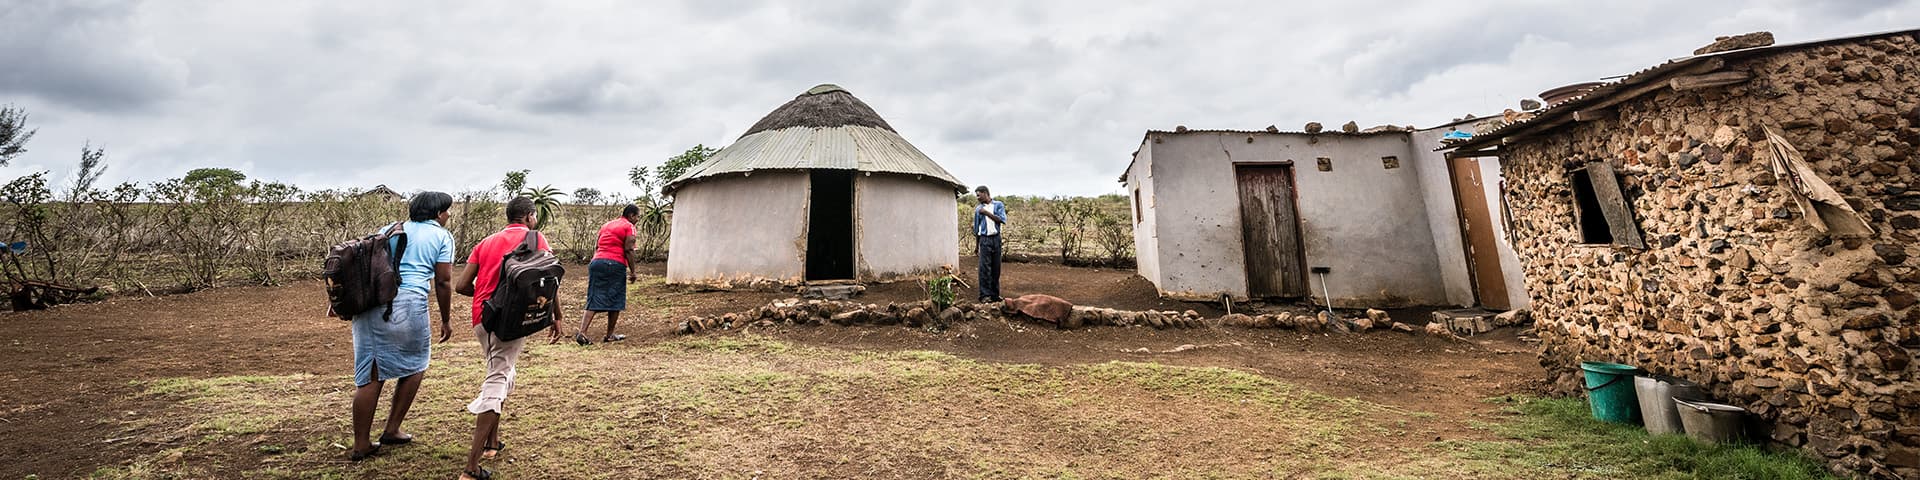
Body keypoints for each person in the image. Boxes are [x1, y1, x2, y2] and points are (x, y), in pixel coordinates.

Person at [451, 197, 562, 480]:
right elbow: (549, 279)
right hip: (510, 321)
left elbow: (462, 285)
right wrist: (555, 316)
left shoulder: (486, 242)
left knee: (501, 370)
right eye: (534, 216)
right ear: (529, 216)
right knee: (498, 378)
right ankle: (471, 468)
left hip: (483, 319)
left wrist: (486, 299)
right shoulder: (535, 239)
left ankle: (491, 443)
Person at [347, 191, 456, 461]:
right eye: (448, 210)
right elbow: (443, 281)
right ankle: (392, 428)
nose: (449, 215)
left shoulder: (390, 228)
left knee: (371, 373)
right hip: (408, 303)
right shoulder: (442, 236)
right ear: (439, 213)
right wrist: (445, 318)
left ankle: (361, 443)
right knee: (416, 364)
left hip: (372, 303)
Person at [573, 204, 641, 345]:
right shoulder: (629, 226)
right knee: (616, 297)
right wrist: (633, 271)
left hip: (597, 262)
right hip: (614, 263)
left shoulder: (607, 225)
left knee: (594, 296)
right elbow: (629, 249)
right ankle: (609, 335)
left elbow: (597, 246)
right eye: (637, 216)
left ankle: (582, 332)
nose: (638, 220)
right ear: (631, 215)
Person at [972, 185, 1007, 303]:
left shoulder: (998, 205)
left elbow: (1001, 220)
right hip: (984, 240)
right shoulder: (978, 209)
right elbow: (977, 229)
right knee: (984, 268)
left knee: (996, 268)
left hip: (996, 239)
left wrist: (986, 213)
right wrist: (977, 246)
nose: (977, 198)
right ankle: (985, 295)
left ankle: (995, 294)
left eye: (978, 195)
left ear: (985, 193)